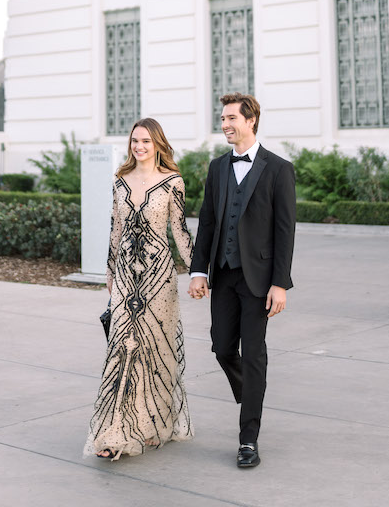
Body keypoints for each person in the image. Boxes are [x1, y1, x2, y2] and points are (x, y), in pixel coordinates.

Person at [188, 92, 296, 469]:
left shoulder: (279, 169)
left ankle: (248, 439)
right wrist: (199, 271)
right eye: (222, 118)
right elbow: (208, 222)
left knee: (254, 355)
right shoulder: (218, 167)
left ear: (251, 120)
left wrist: (280, 283)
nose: (225, 124)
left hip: (259, 280)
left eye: (231, 118)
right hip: (223, 275)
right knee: (221, 348)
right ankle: (252, 392)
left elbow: (285, 232)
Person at [84, 117, 194, 460]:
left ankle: (150, 427)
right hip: (126, 277)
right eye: (135, 141)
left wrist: (200, 272)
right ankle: (115, 433)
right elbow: (115, 230)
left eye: (146, 141)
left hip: (159, 278)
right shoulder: (119, 181)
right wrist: (110, 271)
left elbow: (180, 233)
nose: (140, 147)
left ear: (158, 144)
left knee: (155, 351)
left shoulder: (173, 182)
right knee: (121, 350)